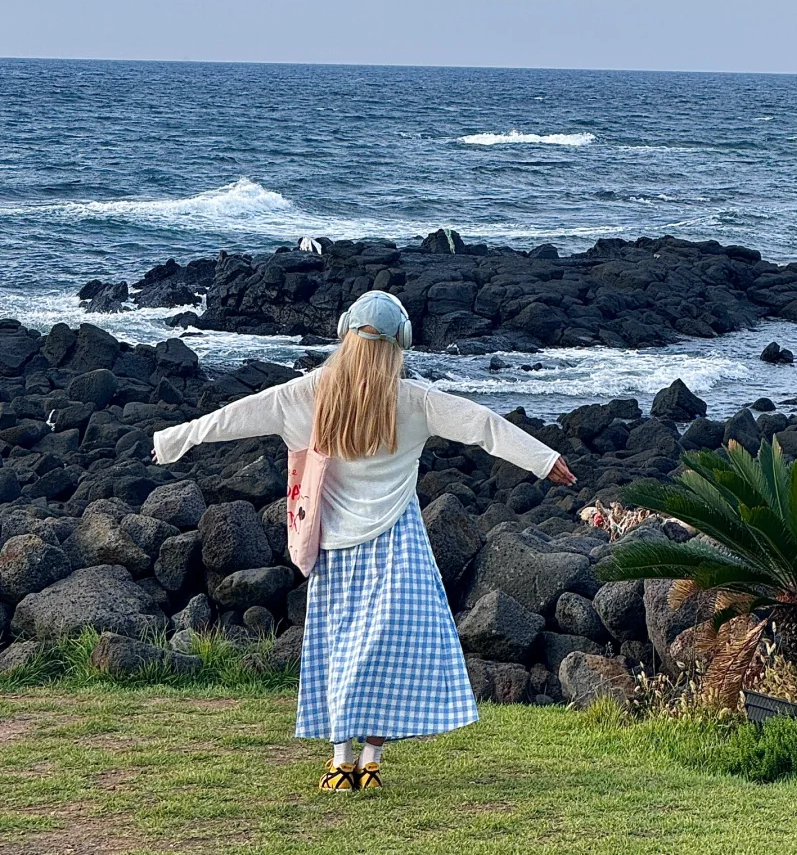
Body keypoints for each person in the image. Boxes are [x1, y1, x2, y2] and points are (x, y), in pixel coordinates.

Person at [153, 289, 574, 792]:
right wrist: (543, 459)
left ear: (344, 334)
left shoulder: (307, 395)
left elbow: (235, 416)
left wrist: (173, 439)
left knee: (340, 649)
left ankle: (341, 759)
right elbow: (480, 424)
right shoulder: (413, 401)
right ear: (402, 344)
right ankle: (370, 759)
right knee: (387, 654)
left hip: (334, 549)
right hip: (398, 543)